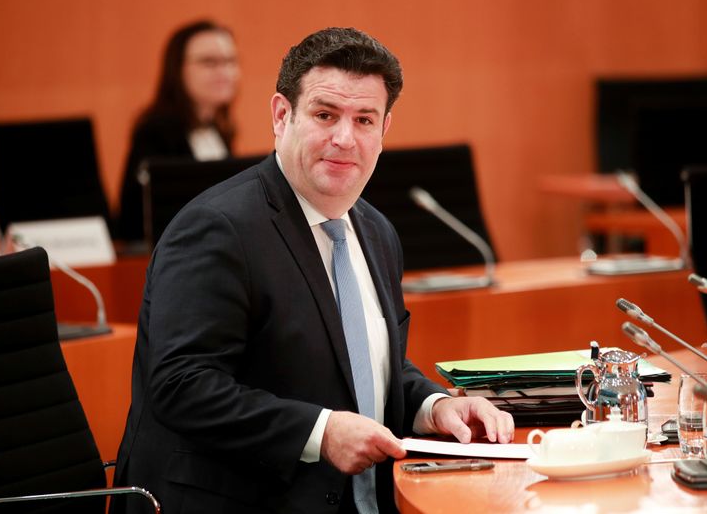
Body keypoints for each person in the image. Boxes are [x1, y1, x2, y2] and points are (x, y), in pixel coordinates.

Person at [112, 27, 514, 514]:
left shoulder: (376, 231)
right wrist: (320, 433)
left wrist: (435, 406)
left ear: (384, 131)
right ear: (282, 116)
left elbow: (362, 368)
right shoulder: (217, 228)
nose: (344, 138)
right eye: (325, 115)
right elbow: (181, 385)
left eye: (364, 119)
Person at [117, 20, 240, 241]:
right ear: (177, 69)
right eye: (210, 62)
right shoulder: (154, 132)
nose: (225, 71)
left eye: (230, 61)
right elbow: (134, 219)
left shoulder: (220, 131)